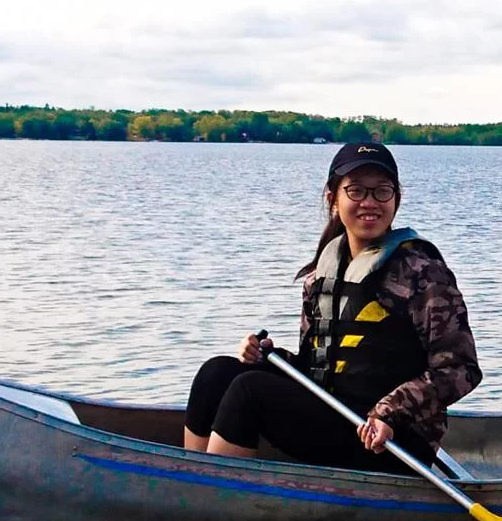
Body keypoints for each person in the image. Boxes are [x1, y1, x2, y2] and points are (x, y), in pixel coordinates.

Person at [183, 142, 480, 471]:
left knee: (249, 392)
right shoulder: (320, 276)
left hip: (393, 442)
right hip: (335, 419)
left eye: (382, 191)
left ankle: (216, 497)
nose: (369, 202)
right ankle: (192, 480)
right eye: (355, 191)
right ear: (333, 199)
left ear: (397, 199)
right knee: (217, 373)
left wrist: (388, 413)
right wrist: (271, 357)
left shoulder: (423, 273)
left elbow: (460, 370)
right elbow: (319, 370)